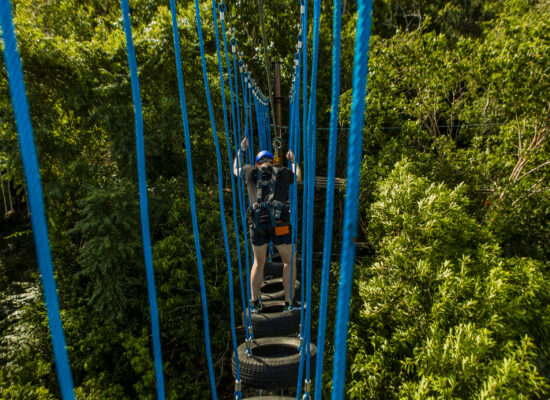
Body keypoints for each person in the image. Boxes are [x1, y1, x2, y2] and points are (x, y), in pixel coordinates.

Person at [233, 137, 302, 312]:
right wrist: (293, 161)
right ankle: (289, 302)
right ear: (272, 162)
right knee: (289, 262)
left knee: (258, 262)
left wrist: (241, 151)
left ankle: (255, 303)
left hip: (257, 224)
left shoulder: (249, 172)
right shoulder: (284, 172)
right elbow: (299, 177)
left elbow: (235, 169)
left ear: (257, 164)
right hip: (280, 223)